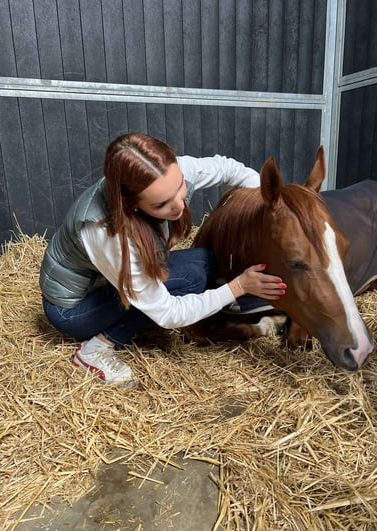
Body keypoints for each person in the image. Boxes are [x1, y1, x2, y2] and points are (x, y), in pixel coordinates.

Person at [39, 133, 287, 387]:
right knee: (186, 283)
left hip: (104, 283)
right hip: (74, 309)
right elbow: (168, 313)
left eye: (180, 187)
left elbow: (227, 168)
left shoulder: (167, 173)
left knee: (201, 263)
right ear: (131, 204)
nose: (179, 205)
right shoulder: (107, 234)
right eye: (161, 205)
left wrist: (262, 202)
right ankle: (95, 350)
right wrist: (239, 287)